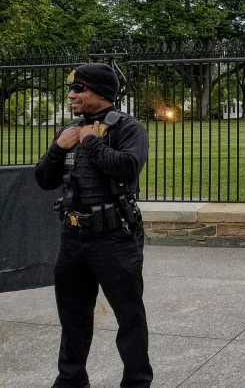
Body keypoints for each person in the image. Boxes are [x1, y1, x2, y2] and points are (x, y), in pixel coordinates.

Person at [35, 63, 152, 388]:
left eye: (79, 89)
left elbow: (128, 167)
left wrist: (92, 142)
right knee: (72, 316)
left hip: (114, 238)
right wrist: (59, 148)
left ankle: (137, 382)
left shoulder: (128, 128)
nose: (71, 95)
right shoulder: (68, 131)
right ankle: (71, 380)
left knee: (129, 315)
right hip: (73, 237)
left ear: (100, 91)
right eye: (71, 90)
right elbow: (43, 179)